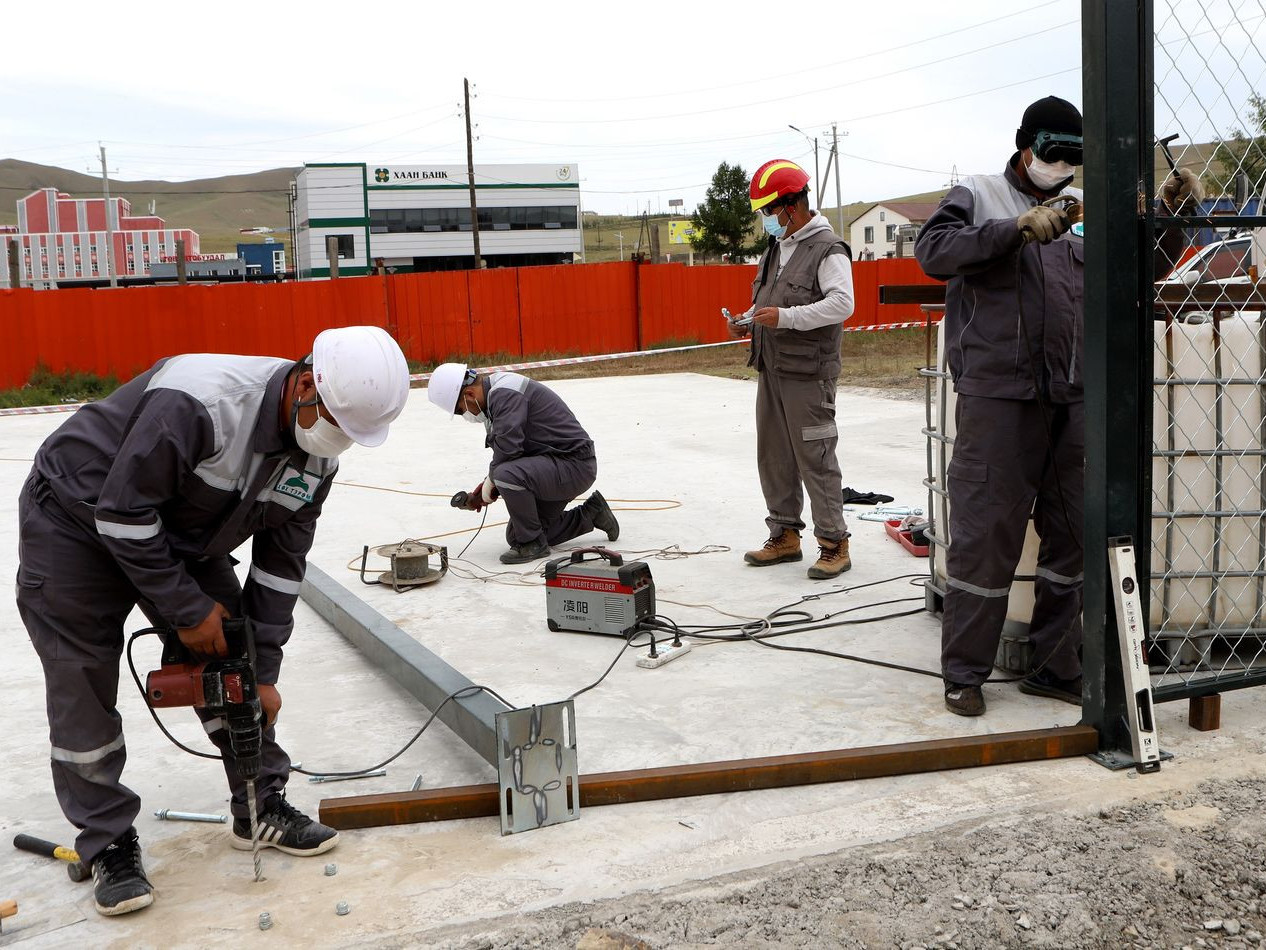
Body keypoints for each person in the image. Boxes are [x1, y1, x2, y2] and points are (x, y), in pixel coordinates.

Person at [15, 325, 411, 915]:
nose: (335, 441)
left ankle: (260, 803)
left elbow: (279, 571)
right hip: (75, 518)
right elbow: (123, 515)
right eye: (333, 421)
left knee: (236, 658)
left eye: (351, 434)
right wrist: (188, 609)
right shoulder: (201, 403)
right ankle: (107, 842)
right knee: (80, 680)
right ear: (305, 383)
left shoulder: (317, 458)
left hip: (174, 531)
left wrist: (265, 670)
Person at [726, 158, 856, 580]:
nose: (766, 220)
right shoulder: (777, 248)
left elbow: (842, 304)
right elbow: (771, 299)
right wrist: (746, 319)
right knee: (775, 457)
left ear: (790, 206)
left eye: (768, 211)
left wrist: (784, 318)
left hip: (808, 375)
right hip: (772, 369)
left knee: (815, 457)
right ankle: (784, 535)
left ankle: (835, 543)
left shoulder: (827, 249)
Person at [426, 363, 619, 564]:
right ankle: (592, 513)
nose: (464, 415)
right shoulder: (494, 396)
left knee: (506, 478)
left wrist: (490, 485)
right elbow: (509, 455)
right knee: (517, 535)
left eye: (459, 410)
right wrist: (487, 486)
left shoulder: (504, 394)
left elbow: (508, 451)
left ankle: (534, 544)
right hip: (556, 464)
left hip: (573, 465)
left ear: (469, 395)